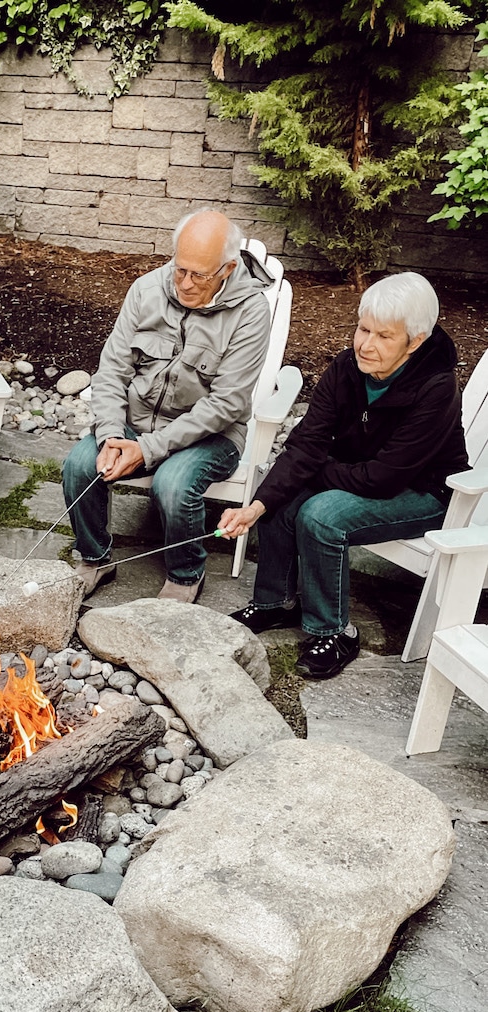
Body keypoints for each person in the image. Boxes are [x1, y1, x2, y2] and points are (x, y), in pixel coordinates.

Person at [220, 272, 469, 679]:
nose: (366, 344)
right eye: (363, 328)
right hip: (359, 473)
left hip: (427, 492)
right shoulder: (345, 368)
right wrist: (257, 505)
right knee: (281, 500)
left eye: (384, 337)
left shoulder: (437, 387)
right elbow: (306, 443)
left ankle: (335, 631)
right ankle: (275, 602)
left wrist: (316, 471)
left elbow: (385, 478)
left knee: (321, 515)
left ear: (416, 341)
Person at [62, 209, 273, 602]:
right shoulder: (146, 289)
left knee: (173, 485)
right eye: (180, 270)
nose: (185, 284)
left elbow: (226, 404)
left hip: (211, 435)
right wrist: (111, 434)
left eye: (199, 275)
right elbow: (111, 371)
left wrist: (148, 449)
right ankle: (95, 558)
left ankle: (186, 572)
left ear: (227, 269)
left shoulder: (252, 312)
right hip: (137, 421)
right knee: (78, 466)